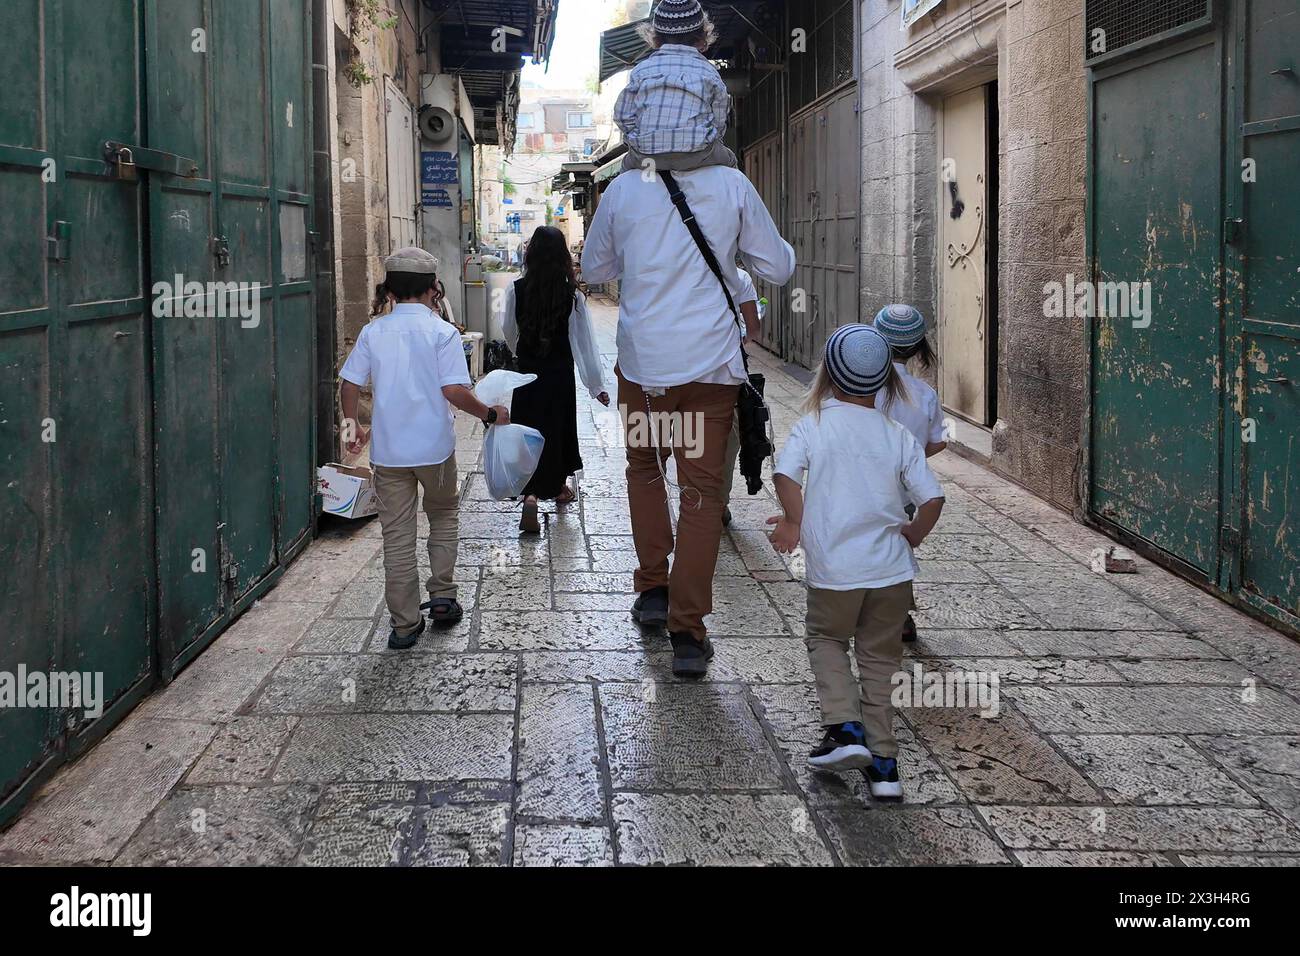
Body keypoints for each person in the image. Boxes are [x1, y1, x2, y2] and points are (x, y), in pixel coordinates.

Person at [582, 127, 795, 678]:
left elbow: (595, 270)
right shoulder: (731, 182)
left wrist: (648, 258)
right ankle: (688, 634)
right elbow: (777, 268)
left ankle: (652, 589)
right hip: (709, 370)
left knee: (645, 471)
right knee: (701, 492)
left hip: (642, 371)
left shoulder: (625, 188)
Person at [768, 325, 945, 800]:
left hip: (837, 572)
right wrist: (913, 536)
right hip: (892, 575)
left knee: (826, 638)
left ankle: (845, 728)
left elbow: (785, 473)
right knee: (879, 660)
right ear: (888, 381)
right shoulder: (896, 435)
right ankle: (884, 766)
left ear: (826, 376)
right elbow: (932, 499)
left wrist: (793, 522)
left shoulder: (814, 426)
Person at [339, 248, 511, 649]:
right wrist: (488, 414)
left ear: (390, 289)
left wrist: (353, 426)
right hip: (434, 451)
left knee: (397, 535)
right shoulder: (442, 332)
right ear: (433, 287)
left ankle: (404, 624)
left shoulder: (373, 331)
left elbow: (349, 384)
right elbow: (453, 390)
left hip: (389, 454)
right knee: (444, 516)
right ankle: (444, 596)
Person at [503, 226, 610, 534]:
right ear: (563, 257)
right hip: (559, 375)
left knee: (528, 433)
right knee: (557, 430)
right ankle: (560, 488)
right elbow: (584, 343)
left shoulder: (516, 289)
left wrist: (523, 354)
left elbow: (510, 333)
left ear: (531, 254)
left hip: (526, 375)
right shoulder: (572, 296)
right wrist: (596, 385)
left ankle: (531, 495)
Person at [871, 304, 948, 643]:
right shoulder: (926, 394)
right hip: (902, 491)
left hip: (861, 485)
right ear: (919, 348)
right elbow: (937, 443)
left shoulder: (861, 388)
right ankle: (900, 615)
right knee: (898, 546)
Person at [614, 0, 739, 175]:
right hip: (697, 153)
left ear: (654, 36)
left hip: (647, 155)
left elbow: (622, 116)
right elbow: (719, 116)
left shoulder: (641, 70)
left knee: (623, 178)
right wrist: (710, 139)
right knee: (732, 165)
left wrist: (637, 139)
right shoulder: (708, 71)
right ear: (703, 35)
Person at [719, 268, 761, 527]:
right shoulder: (740, 277)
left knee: (689, 435)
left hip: (680, 372)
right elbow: (754, 329)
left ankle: (692, 496)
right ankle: (719, 503)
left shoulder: (676, 266)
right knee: (728, 439)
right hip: (725, 375)